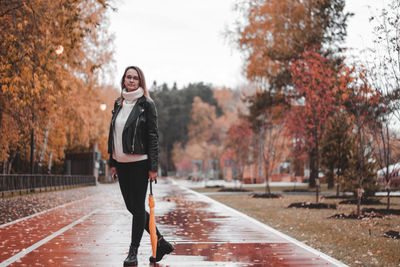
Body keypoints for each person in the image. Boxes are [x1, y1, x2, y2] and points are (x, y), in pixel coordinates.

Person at [108, 66, 174, 266]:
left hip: (139, 163)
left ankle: (133, 252)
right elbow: (112, 134)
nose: (131, 80)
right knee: (132, 207)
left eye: (135, 78)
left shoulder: (147, 104)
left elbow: (153, 136)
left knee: (137, 207)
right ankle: (160, 242)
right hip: (121, 164)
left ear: (140, 81)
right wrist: (112, 162)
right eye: (128, 77)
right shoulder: (118, 103)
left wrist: (153, 166)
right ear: (124, 80)